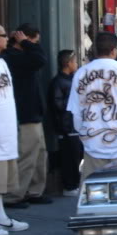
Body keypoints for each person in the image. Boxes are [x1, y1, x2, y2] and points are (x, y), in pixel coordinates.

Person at [67, 32, 117, 181]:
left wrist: (85, 135)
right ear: (114, 50)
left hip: (93, 145)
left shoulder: (80, 73)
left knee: (92, 188)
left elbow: (76, 115)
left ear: (95, 50)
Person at [0, 23, 29, 235]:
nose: (7, 39)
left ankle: (0, 216)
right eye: (3, 35)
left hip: (5, 135)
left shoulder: (0, 61)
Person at [3, 23, 51, 208]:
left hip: (34, 112)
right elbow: (40, 59)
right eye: (34, 41)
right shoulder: (11, 56)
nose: (36, 45)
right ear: (23, 38)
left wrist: (27, 44)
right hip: (24, 113)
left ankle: (34, 191)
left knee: (40, 155)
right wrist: (25, 43)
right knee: (26, 156)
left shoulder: (24, 55)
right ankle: (14, 195)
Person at [48, 50, 83, 197]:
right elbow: (58, 105)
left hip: (76, 124)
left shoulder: (73, 80)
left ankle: (76, 183)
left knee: (77, 156)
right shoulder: (58, 82)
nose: (77, 64)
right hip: (67, 126)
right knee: (69, 157)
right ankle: (69, 186)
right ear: (68, 63)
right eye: (74, 61)